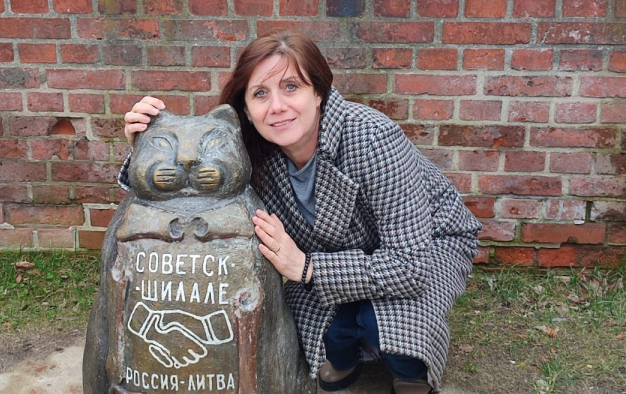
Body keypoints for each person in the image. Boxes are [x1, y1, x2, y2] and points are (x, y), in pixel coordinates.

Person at [120, 31, 481, 394]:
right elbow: (197, 182)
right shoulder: (254, 149)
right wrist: (144, 146)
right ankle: (348, 340)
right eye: (260, 94)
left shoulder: (373, 138)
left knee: (389, 325)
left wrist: (307, 269)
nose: (276, 106)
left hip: (428, 243)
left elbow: (409, 266)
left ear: (319, 92)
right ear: (247, 110)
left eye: (290, 87)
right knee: (313, 328)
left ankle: (406, 367)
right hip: (338, 251)